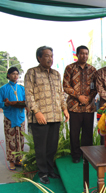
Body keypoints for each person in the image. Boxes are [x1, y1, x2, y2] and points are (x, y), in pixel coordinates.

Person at [25, 46, 69, 184]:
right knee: (41, 148)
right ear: (39, 57)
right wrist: (37, 112)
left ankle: (50, 170)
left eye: (51, 55)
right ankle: (42, 173)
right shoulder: (32, 73)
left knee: (52, 147)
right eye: (46, 56)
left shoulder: (56, 74)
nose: (50, 58)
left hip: (55, 116)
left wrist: (65, 109)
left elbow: (60, 94)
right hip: (40, 118)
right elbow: (29, 95)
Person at [63, 45, 97, 163]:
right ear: (77, 55)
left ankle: (87, 155)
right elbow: (66, 86)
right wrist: (78, 96)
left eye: (86, 53)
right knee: (74, 132)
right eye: (82, 53)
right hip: (74, 106)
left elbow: (96, 87)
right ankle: (76, 155)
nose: (84, 56)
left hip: (89, 106)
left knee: (88, 132)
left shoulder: (93, 70)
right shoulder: (70, 68)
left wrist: (89, 98)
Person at [0, 67, 25, 171]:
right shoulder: (3, 89)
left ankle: (19, 160)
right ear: (8, 75)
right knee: (11, 140)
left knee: (20, 139)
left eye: (17, 74)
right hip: (9, 117)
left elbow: (26, 100)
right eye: (13, 74)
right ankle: (11, 161)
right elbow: (0, 103)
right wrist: (5, 104)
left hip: (20, 117)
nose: (15, 76)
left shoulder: (21, 88)